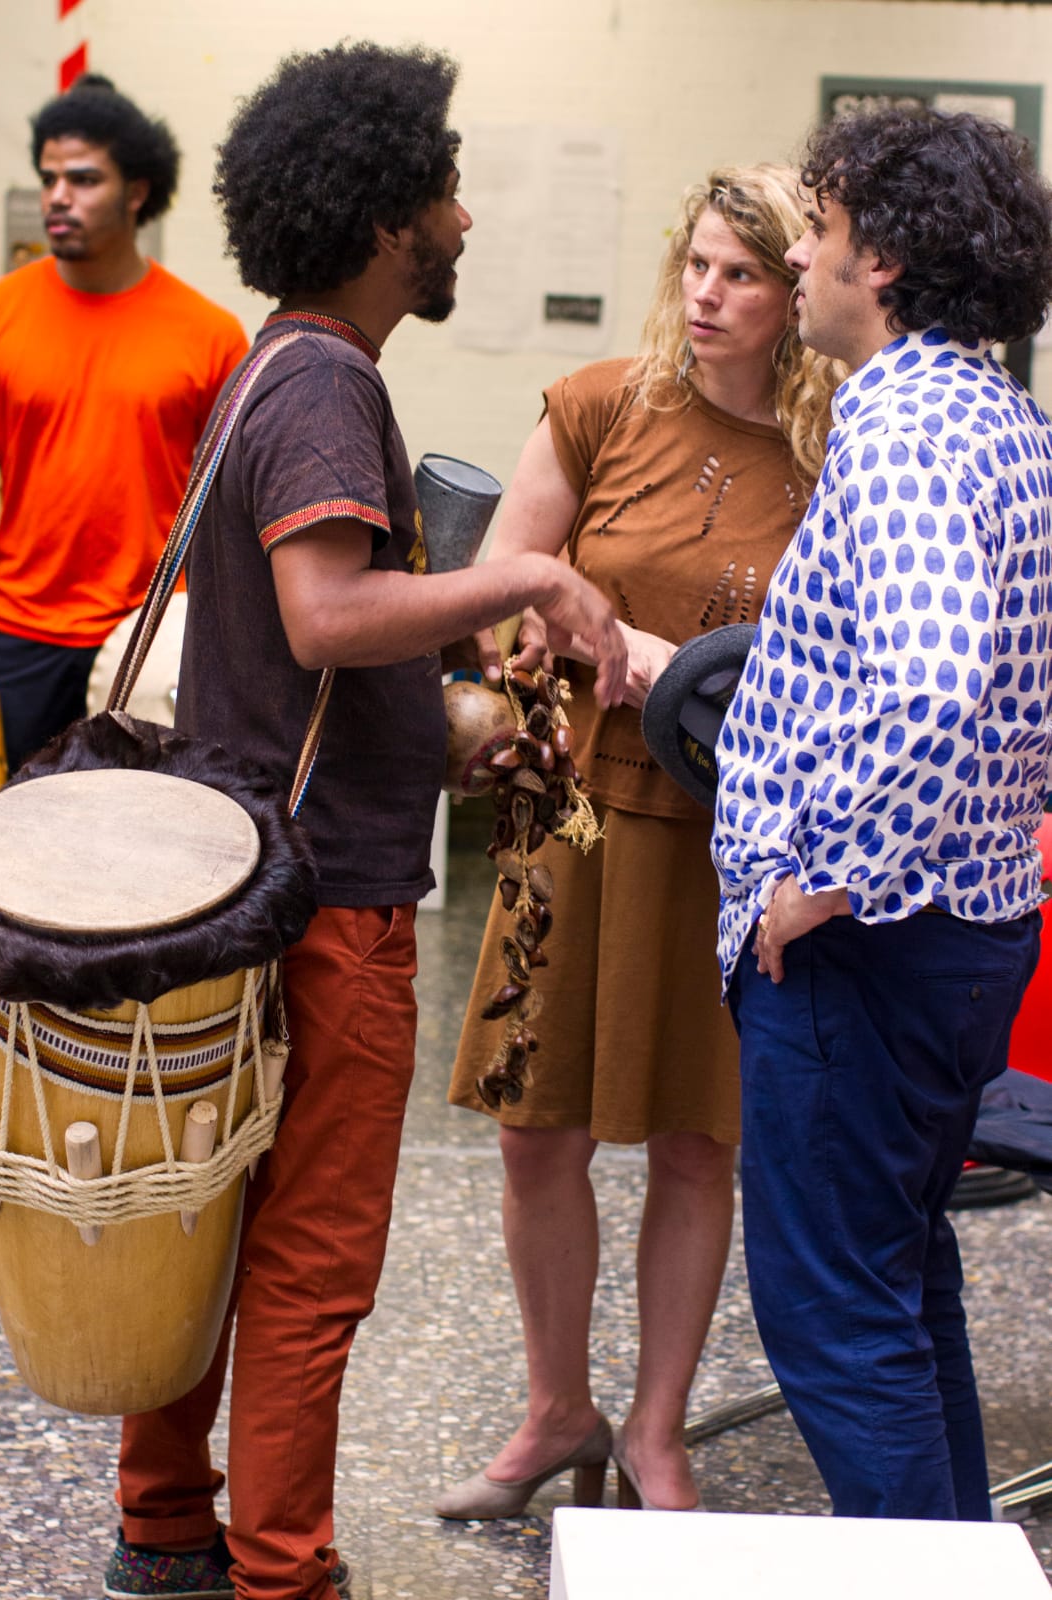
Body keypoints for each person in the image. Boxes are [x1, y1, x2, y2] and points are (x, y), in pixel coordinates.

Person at [103, 42, 626, 1600]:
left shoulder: (269, 361)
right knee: (309, 1263)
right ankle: (283, 1573)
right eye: (446, 190)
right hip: (324, 911)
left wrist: (441, 732)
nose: (463, 218)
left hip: (231, 877)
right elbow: (327, 615)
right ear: (386, 211)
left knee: (201, 1228)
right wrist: (536, 577)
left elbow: (294, 650)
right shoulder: (331, 381)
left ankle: (166, 1524)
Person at [438, 166, 842, 1519]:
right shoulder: (604, 404)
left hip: (728, 837)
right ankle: (559, 1407)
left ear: (798, 293)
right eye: (697, 266)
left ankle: (657, 1430)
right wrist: (561, 645)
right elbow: (498, 592)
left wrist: (690, 671)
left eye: (743, 273)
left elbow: (848, 657)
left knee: (694, 1138)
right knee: (531, 1131)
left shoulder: (836, 442)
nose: (708, 294)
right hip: (578, 821)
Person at [712, 106, 1052, 1520]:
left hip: (871, 946)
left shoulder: (903, 435)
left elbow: (925, 687)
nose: (796, 254)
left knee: (836, 1328)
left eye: (820, 231)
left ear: (887, 262)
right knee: (897, 1291)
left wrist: (818, 880)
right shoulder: (1000, 416)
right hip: (965, 929)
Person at [0, 74, 248, 773]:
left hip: (154, 632)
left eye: (83, 179)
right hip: (21, 636)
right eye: (48, 178)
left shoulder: (210, 336)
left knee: (154, 856)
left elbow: (233, 512)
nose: (57, 197)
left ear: (137, 191)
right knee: (5, 856)